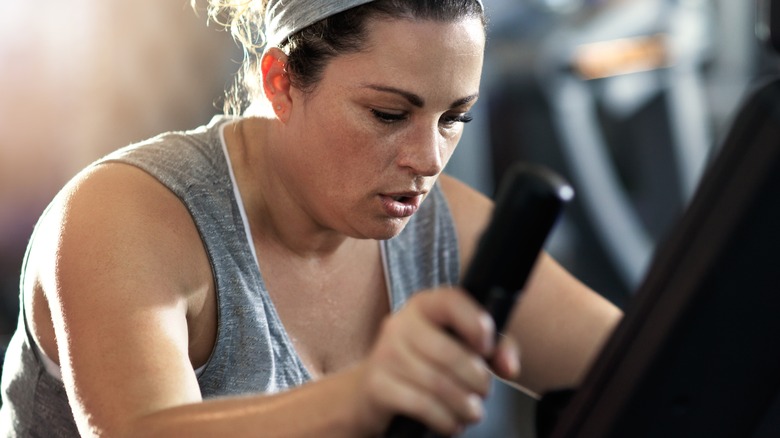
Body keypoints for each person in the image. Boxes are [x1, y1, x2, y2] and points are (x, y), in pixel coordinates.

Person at [0, 0, 622, 436]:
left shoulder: (442, 229)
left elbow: (660, 358)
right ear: (281, 82)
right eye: (386, 114)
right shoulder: (124, 217)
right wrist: (360, 399)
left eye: (453, 118)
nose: (429, 160)